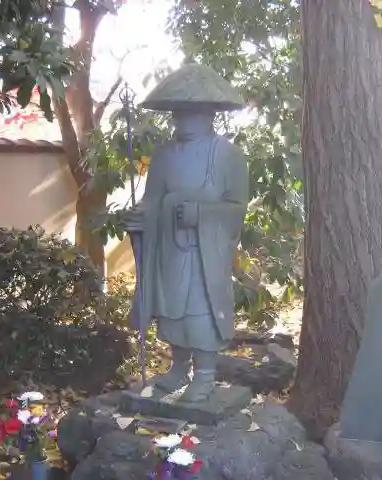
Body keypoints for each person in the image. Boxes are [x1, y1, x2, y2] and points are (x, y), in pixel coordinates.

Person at [123, 63, 249, 402]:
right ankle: (178, 367)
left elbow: (237, 207)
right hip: (169, 246)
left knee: (200, 309)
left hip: (204, 251)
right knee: (172, 308)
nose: (183, 120)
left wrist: (202, 214)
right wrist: (141, 216)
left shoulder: (228, 155)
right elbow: (152, 199)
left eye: (191, 113)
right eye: (178, 114)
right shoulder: (164, 155)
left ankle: (205, 374)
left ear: (209, 114)